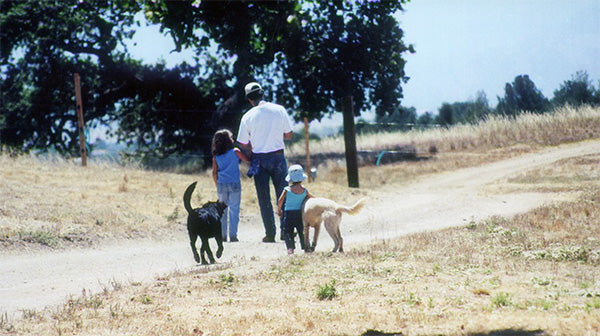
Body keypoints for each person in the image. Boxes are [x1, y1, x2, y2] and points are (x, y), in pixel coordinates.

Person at [237, 82, 293, 243]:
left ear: (249, 99)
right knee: (283, 195)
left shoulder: (247, 116)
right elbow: (288, 134)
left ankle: (270, 233)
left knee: (264, 198)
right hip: (278, 156)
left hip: (259, 159)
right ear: (263, 94)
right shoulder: (279, 110)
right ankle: (286, 231)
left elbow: (242, 143)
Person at [212, 129, 249, 242]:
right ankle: (233, 235)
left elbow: (214, 172)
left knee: (222, 211)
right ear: (229, 141)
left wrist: (217, 184)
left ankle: (222, 235)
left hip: (221, 184)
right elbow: (247, 159)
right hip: (234, 184)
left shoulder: (216, 156)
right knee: (234, 209)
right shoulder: (235, 152)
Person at [277, 165, 314, 255]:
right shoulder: (304, 190)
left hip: (288, 214)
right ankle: (306, 247)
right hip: (299, 214)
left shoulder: (287, 189)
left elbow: (280, 200)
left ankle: (290, 248)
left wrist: (279, 210)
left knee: (287, 231)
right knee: (301, 230)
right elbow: (313, 197)